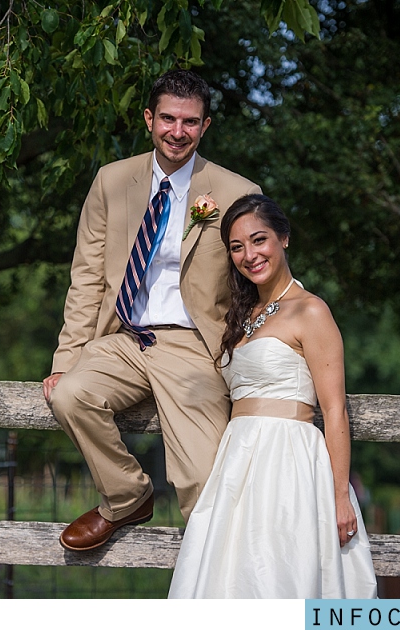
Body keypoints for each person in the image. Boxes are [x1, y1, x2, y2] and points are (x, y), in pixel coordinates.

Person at [43, 70, 261, 552]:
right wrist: (66, 360)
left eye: (190, 121)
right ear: (148, 119)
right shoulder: (112, 181)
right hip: (124, 337)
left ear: (206, 126)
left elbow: (257, 285)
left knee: (203, 483)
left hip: (194, 345)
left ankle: (220, 590)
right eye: (167, 118)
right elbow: (87, 277)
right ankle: (126, 498)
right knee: (70, 395)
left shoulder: (236, 191)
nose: (177, 131)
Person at [168, 194, 378, 598]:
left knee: (278, 572)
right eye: (236, 247)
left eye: (259, 240)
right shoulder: (244, 316)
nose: (249, 254)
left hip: (288, 461)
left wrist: (339, 497)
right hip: (237, 461)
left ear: (283, 238)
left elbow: (334, 411)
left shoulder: (311, 311)